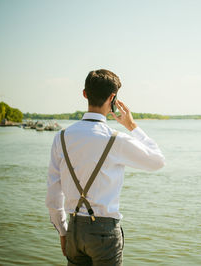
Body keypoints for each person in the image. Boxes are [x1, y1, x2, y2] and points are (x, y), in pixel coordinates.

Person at [45, 69, 165, 265]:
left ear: (85, 94)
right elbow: (157, 161)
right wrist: (132, 126)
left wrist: (62, 231)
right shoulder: (115, 139)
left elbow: (53, 194)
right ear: (113, 97)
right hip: (104, 234)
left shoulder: (61, 137)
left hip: (74, 230)